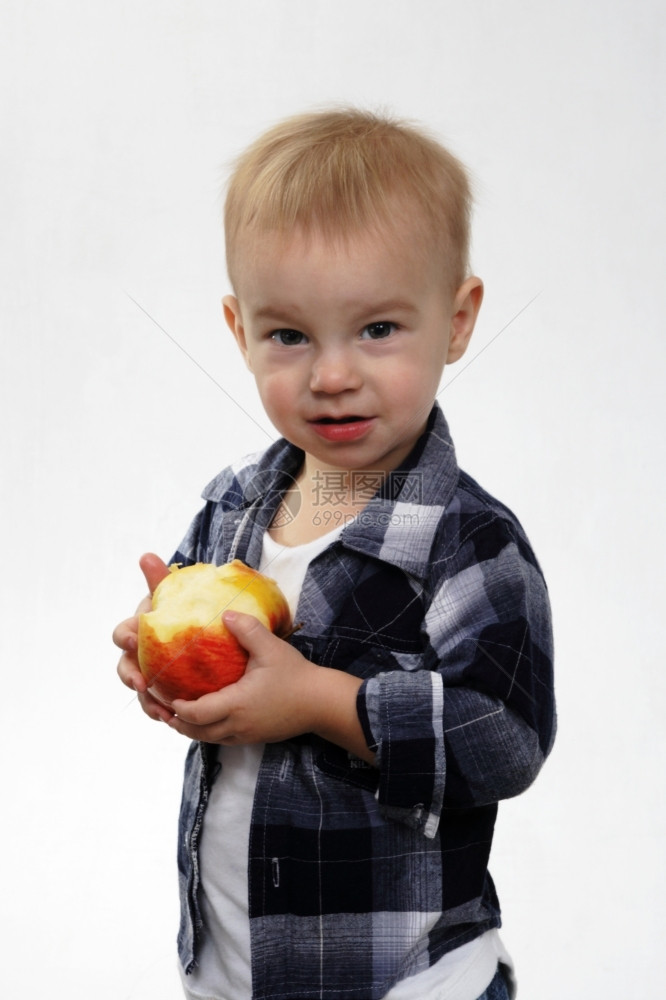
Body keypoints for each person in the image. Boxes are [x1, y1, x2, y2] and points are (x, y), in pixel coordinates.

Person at [114, 108, 555, 1000]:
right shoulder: (233, 510)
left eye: (379, 330)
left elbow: (507, 740)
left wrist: (319, 699)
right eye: (290, 336)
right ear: (240, 330)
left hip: (403, 978)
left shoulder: (468, 542)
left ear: (459, 319)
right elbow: (219, 686)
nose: (332, 374)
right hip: (236, 967)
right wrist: (161, 668)